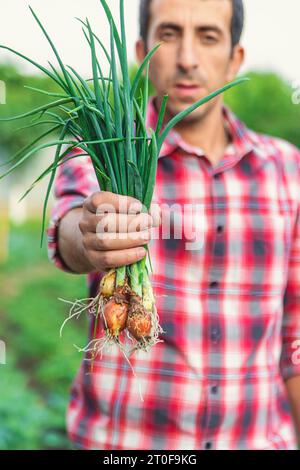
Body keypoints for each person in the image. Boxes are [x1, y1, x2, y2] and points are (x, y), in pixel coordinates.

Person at [47, 0, 300, 450]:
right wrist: (89, 236)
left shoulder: (288, 170)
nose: (187, 57)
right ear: (143, 50)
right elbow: (70, 227)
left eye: (208, 36)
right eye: (168, 35)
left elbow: (296, 338)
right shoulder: (100, 150)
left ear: (234, 57)